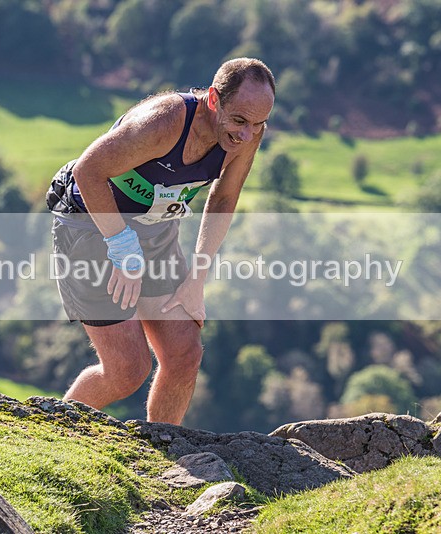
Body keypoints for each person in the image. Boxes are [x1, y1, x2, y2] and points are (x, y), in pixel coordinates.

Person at [46, 58, 275, 425]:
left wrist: (197, 275)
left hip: (156, 232)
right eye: (240, 121)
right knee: (127, 370)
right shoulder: (164, 122)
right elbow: (88, 171)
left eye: (259, 124)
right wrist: (122, 248)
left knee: (184, 353)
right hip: (89, 225)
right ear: (214, 100)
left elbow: (224, 198)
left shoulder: (247, 132)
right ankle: (49, 432)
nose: (247, 135)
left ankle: (162, 455)